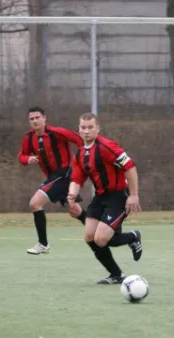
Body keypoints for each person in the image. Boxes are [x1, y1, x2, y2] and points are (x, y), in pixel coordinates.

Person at [67, 112, 143, 284]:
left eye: (90, 127)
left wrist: (133, 195)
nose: (86, 131)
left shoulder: (107, 147)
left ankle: (133, 237)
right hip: (101, 197)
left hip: (118, 196)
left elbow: (130, 167)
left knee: (101, 239)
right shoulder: (79, 154)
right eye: (83, 127)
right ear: (78, 130)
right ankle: (117, 275)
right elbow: (77, 179)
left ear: (98, 128)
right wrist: (71, 194)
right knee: (89, 237)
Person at [18, 106, 87, 255]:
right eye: (31, 119)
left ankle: (43, 244)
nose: (35, 121)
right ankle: (100, 230)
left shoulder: (57, 133)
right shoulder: (29, 137)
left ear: (44, 118)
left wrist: (81, 159)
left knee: (35, 204)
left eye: (37, 117)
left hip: (64, 174)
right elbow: (21, 156)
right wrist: (27, 158)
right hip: (52, 177)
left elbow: (79, 140)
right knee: (74, 210)